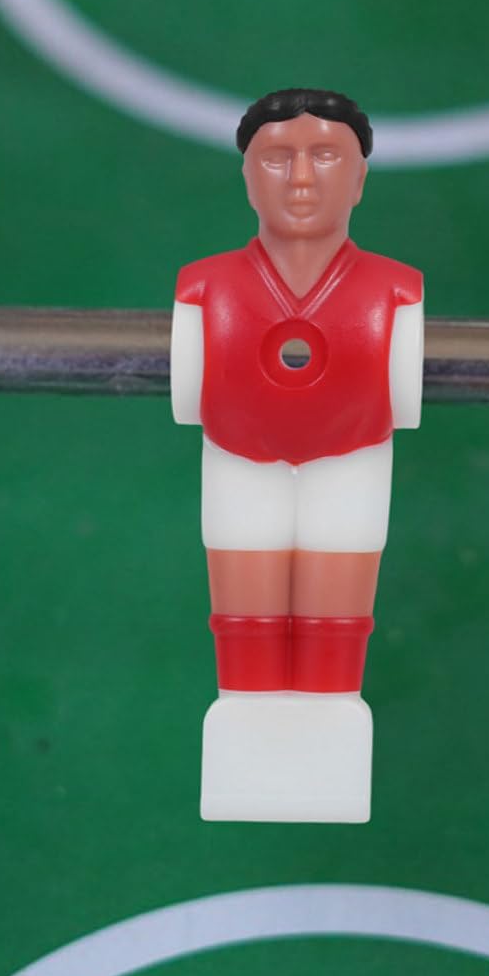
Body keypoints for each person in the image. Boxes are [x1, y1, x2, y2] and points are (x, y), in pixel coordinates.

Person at [172, 88, 423, 821]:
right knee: (244, 633)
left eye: (327, 156)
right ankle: (248, 760)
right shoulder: (205, 288)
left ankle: (325, 762)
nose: (303, 178)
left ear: (361, 178)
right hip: (239, 462)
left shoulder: (394, 291)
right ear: (247, 175)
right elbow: (192, 392)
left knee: (334, 634)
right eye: (278, 158)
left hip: (351, 463)